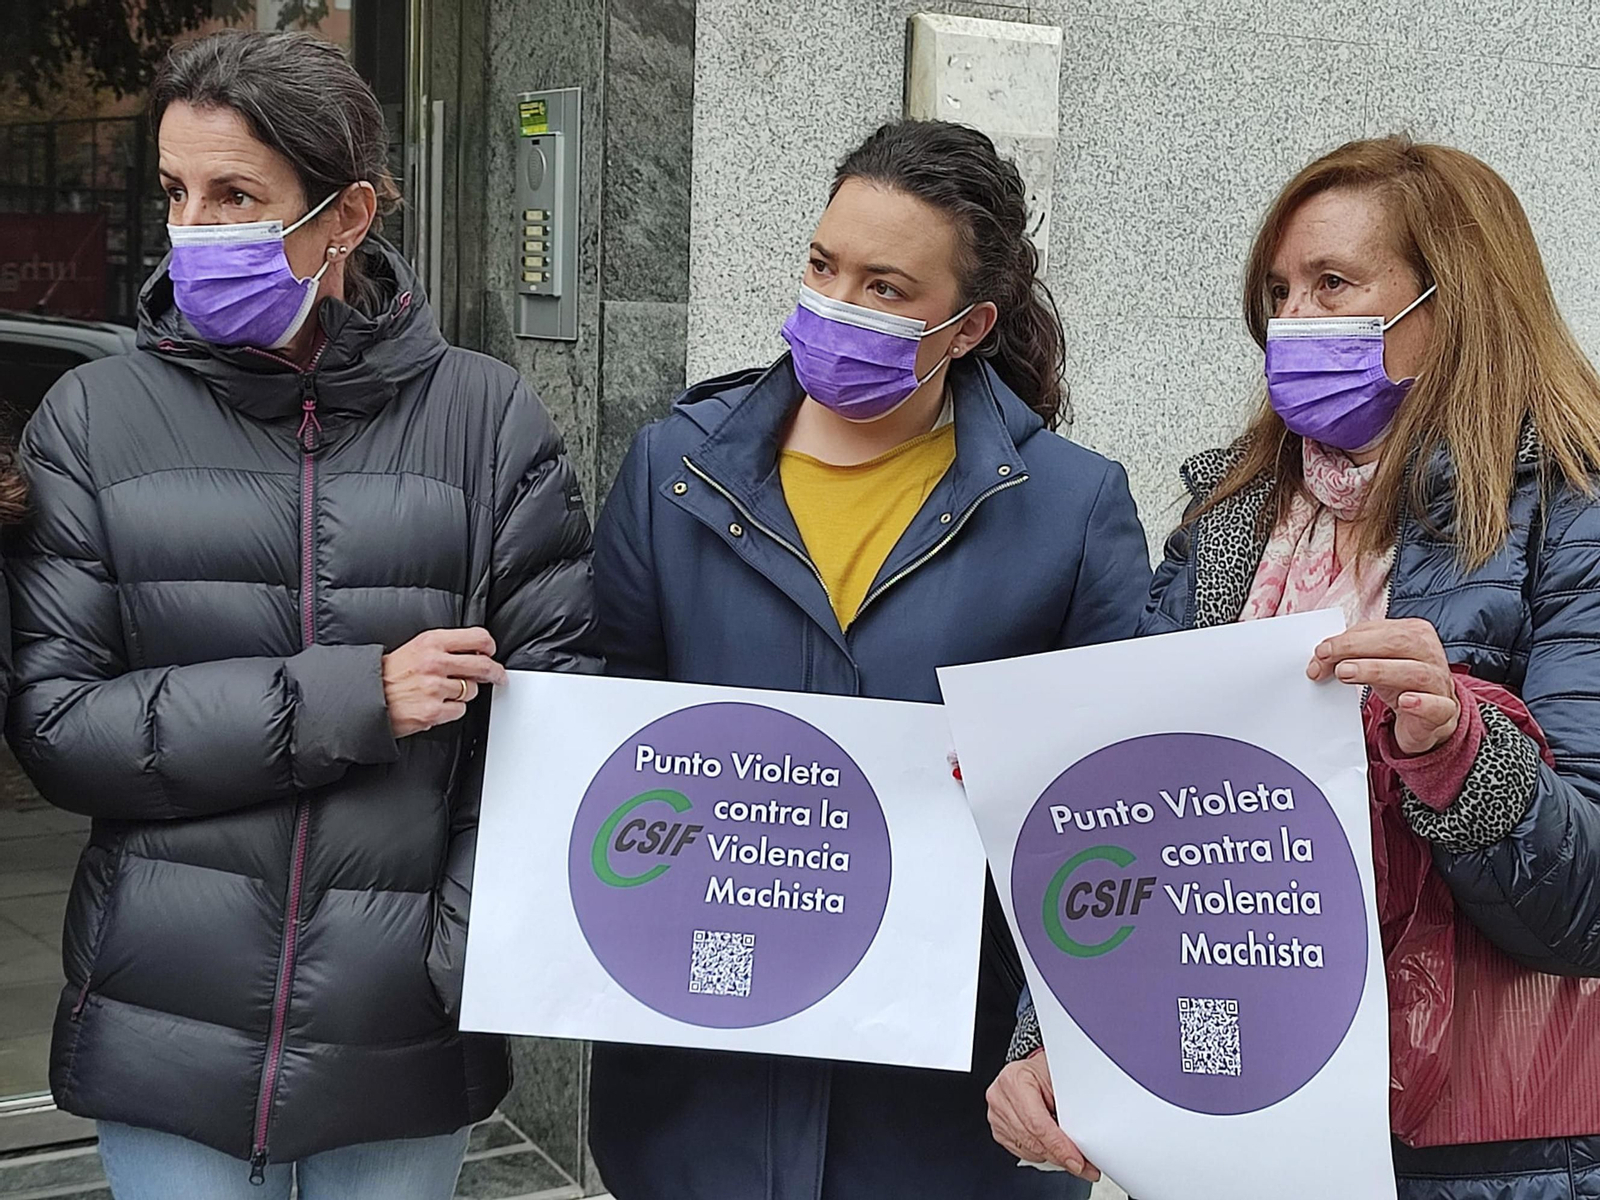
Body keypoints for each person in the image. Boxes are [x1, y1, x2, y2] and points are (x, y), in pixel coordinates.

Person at [3, 30, 598, 1199]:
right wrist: (352, 696)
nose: (197, 228)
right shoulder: (91, 419)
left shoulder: (486, 422)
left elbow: (555, 725)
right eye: (177, 193)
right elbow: (61, 728)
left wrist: (459, 961)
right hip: (164, 1024)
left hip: (402, 1032)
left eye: (237, 196)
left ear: (347, 215)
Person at [989, 135, 1600, 1199]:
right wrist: (1056, 1037)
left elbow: (1584, 906)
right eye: (1278, 291)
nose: (1293, 321)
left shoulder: (1566, 517)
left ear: (1453, 305)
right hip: (1232, 1117)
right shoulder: (1232, 521)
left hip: (1469, 1156)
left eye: (1333, 284)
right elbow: (1138, 815)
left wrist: (1458, 754)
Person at [589, 118, 1152, 1200]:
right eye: (821, 264)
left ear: (968, 325)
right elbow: (607, 725)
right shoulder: (676, 468)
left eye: (887, 288)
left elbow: (1111, 806)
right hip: (703, 1077)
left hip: (943, 1106)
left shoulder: (1071, 508)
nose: (836, 303)